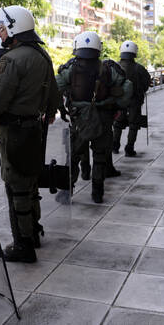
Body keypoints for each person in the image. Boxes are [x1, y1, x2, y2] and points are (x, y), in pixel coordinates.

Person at [0, 5, 61, 263]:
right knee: (30, 181)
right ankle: (33, 232)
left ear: (15, 28)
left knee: (16, 187)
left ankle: (23, 244)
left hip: (13, 131)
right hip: (34, 129)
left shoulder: (11, 59)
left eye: (3, 28)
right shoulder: (42, 55)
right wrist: (50, 111)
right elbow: (53, 92)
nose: (0, 33)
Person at [56, 31, 132, 203]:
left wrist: (62, 108)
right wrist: (117, 105)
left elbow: (55, 87)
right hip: (103, 117)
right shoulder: (109, 68)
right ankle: (97, 193)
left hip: (79, 119)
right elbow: (127, 87)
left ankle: (66, 192)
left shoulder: (70, 68)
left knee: (73, 157)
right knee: (99, 157)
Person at [112, 40, 151, 157]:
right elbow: (146, 83)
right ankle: (129, 149)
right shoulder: (140, 68)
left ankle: (114, 146)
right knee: (134, 125)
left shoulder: (115, 67)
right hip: (135, 101)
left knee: (118, 124)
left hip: (119, 101)